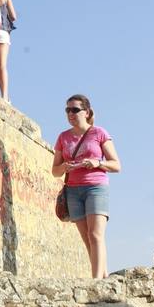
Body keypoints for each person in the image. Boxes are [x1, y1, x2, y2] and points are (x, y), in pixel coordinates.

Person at [51, 94, 121, 279]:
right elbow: (55, 171)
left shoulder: (99, 133)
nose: (70, 114)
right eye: (67, 110)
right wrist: (64, 167)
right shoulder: (63, 137)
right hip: (73, 190)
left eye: (75, 109)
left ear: (87, 112)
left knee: (96, 234)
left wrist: (97, 163)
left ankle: (96, 281)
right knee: (87, 239)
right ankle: (103, 276)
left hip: (95, 187)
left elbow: (116, 165)